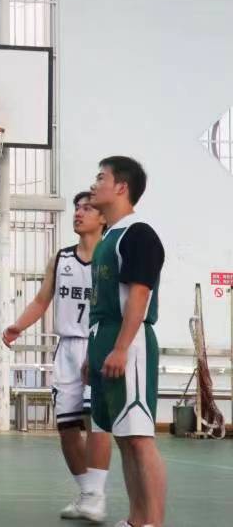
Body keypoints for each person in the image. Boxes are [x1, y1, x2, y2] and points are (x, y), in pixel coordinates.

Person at [3, 191, 111, 522]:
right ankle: (87, 493)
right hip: (67, 348)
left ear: (102, 218)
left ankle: (97, 495)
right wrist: (18, 326)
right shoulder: (61, 258)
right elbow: (41, 300)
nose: (78, 212)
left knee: (96, 422)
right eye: (77, 208)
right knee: (66, 427)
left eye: (87, 208)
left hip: (97, 343)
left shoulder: (110, 258)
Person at [87, 156, 166, 527]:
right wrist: (94, 354)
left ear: (121, 187)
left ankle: (153, 523)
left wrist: (120, 348)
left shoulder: (139, 233)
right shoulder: (108, 240)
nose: (94, 184)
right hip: (105, 340)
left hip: (130, 343)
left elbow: (139, 294)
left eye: (101, 177)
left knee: (139, 438)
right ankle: (136, 521)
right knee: (123, 437)